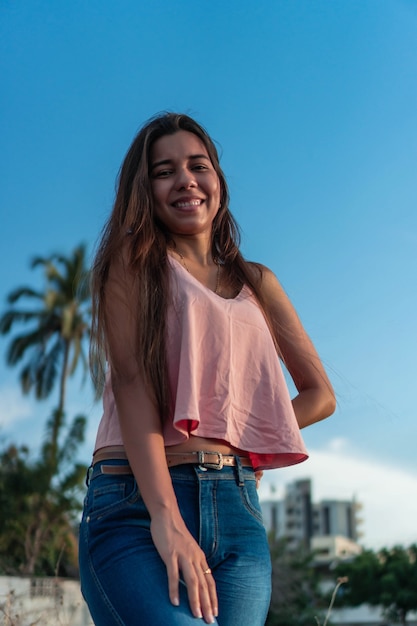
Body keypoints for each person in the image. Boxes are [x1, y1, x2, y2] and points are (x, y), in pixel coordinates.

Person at [78, 112, 336, 626]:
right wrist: (166, 518)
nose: (185, 181)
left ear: (217, 180)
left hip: (236, 505)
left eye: (199, 165)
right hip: (136, 499)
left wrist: (244, 444)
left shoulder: (257, 281)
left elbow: (319, 395)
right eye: (163, 170)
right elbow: (133, 386)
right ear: (144, 189)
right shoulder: (133, 264)